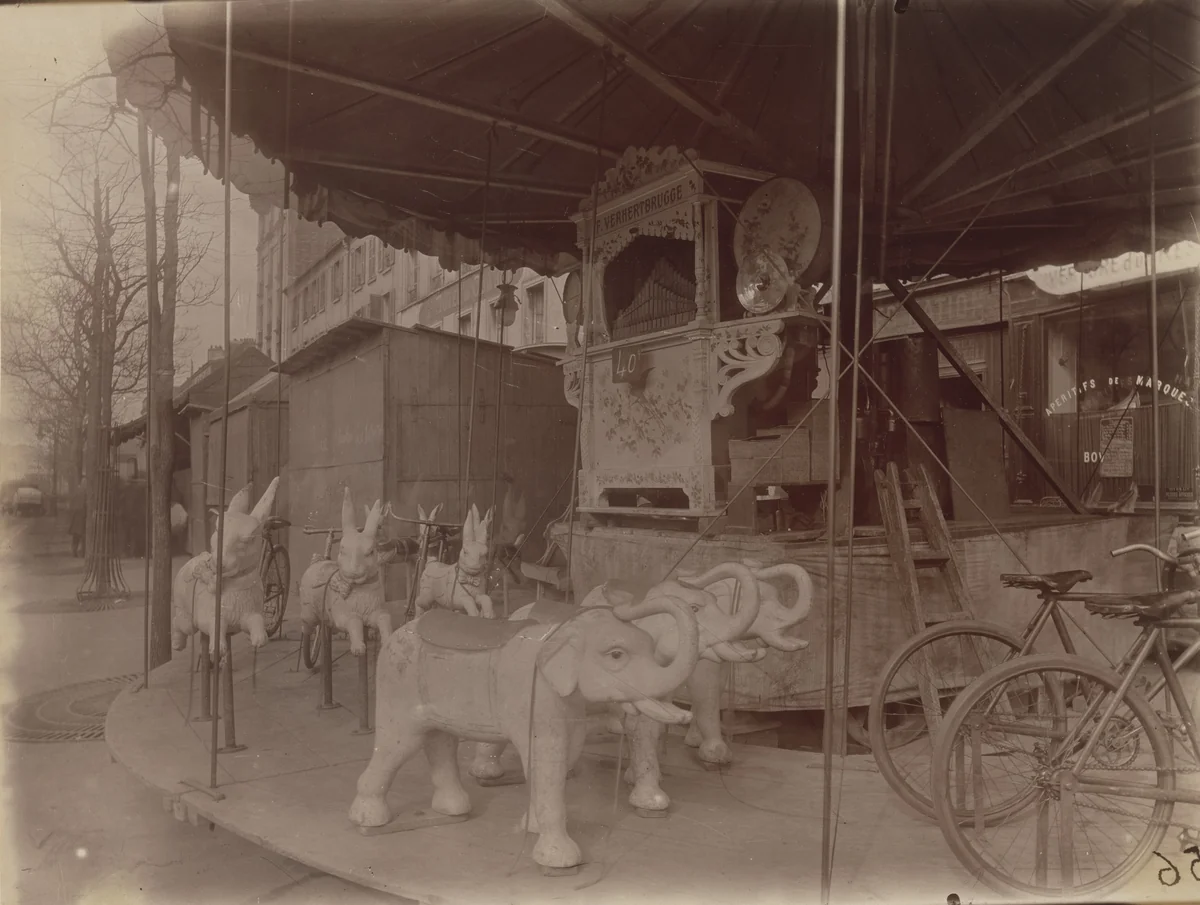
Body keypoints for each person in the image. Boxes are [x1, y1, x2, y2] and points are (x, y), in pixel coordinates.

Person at [68, 490, 86, 558]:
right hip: (82, 517)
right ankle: (83, 553)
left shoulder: (76, 493)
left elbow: (71, 505)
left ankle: (74, 551)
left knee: (76, 536)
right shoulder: (87, 494)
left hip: (76, 517)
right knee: (84, 536)